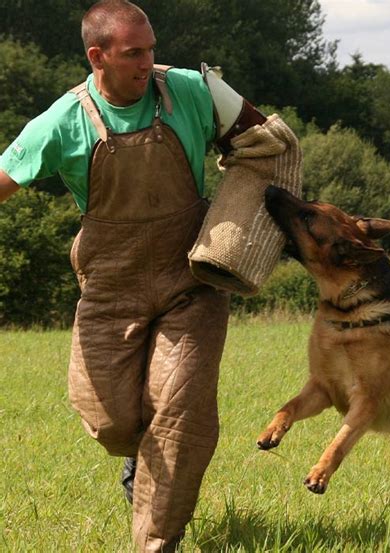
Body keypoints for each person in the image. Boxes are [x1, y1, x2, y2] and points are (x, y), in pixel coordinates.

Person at [0, 1, 265, 551]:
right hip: (109, 289)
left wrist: (244, 213)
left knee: (180, 415)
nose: (149, 62)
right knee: (113, 421)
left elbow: (263, 139)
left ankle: (158, 540)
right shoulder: (61, 121)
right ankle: (138, 464)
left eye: (151, 48)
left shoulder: (189, 89)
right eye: (134, 53)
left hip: (190, 281)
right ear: (98, 56)